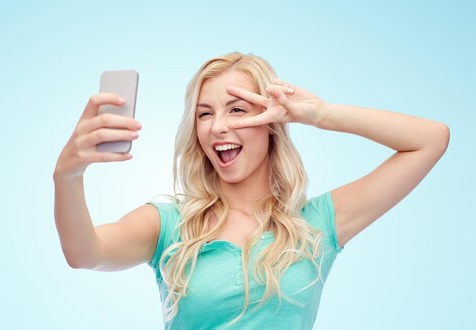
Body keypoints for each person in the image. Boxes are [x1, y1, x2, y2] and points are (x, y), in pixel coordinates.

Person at [52, 52, 449, 329]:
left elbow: (430, 139)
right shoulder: (170, 225)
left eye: (237, 109)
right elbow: (85, 253)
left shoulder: (316, 224)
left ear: (271, 121)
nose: (218, 126)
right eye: (205, 114)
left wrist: (321, 114)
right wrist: (67, 176)